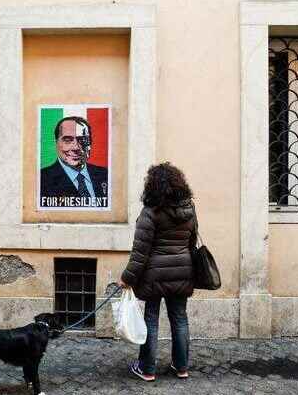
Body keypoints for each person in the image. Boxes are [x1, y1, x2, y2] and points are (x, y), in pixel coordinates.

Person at [118, 162, 197, 381]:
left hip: (154, 275)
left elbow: (140, 252)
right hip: (183, 270)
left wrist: (127, 278)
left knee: (151, 319)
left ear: (152, 185)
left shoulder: (151, 211)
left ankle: (147, 369)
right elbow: (192, 240)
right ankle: (181, 367)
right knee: (180, 318)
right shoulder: (189, 208)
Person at [39, 116, 108, 208]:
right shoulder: (40, 180)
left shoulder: (106, 175)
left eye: (83, 140)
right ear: (56, 143)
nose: (76, 147)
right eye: (67, 140)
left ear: (90, 143)